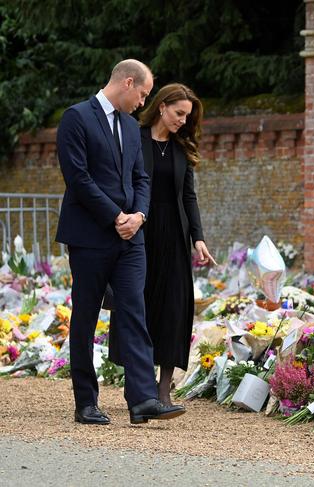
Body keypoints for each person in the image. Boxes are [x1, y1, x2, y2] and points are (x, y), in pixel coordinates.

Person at [56, 59, 185, 425]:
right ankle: (86, 402)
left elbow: (141, 178)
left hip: (131, 237)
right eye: (142, 94)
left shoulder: (130, 127)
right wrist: (115, 217)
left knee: (134, 312)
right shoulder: (76, 118)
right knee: (85, 316)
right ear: (128, 83)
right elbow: (78, 179)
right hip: (90, 236)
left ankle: (142, 399)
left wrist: (139, 216)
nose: (143, 103)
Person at [108, 83, 215, 406]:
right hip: (139, 235)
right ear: (162, 107)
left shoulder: (182, 148)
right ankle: (136, 387)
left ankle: (164, 389)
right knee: (137, 307)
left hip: (175, 239)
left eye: (188, 116)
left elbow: (188, 196)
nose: (183, 120)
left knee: (174, 309)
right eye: (179, 113)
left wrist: (198, 237)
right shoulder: (133, 138)